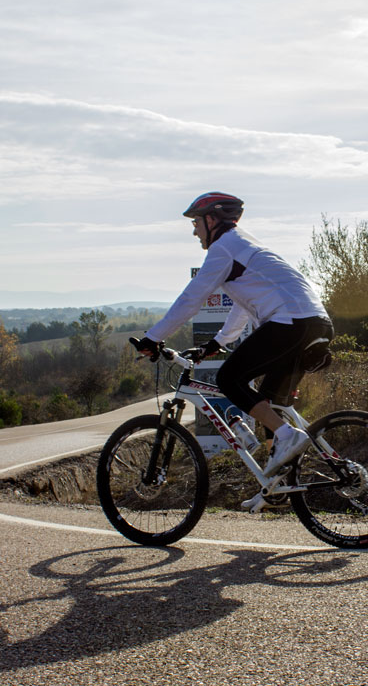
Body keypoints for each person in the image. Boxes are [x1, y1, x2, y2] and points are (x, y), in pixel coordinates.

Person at [135, 191, 334, 479]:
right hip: (315, 322)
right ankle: (276, 482)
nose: (194, 231)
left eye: (196, 223)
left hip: (291, 322)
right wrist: (217, 343)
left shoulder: (224, 248)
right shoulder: (244, 244)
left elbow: (192, 298)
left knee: (228, 378)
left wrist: (152, 338)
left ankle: (287, 437)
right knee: (269, 402)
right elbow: (242, 309)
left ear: (212, 220)